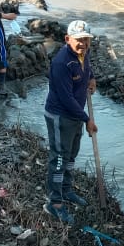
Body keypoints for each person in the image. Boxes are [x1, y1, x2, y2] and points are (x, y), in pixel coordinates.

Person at [43, 20, 98, 224]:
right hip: (61, 116)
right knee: (59, 158)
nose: (83, 43)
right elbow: (66, 99)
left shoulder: (83, 53)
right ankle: (54, 203)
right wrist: (87, 119)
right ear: (68, 39)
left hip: (75, 115)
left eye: (86, 40)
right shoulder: (61, 63)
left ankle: (66, 190)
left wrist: (91, 78)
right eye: (78, 40)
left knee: (71, 155)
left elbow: (87, 67)